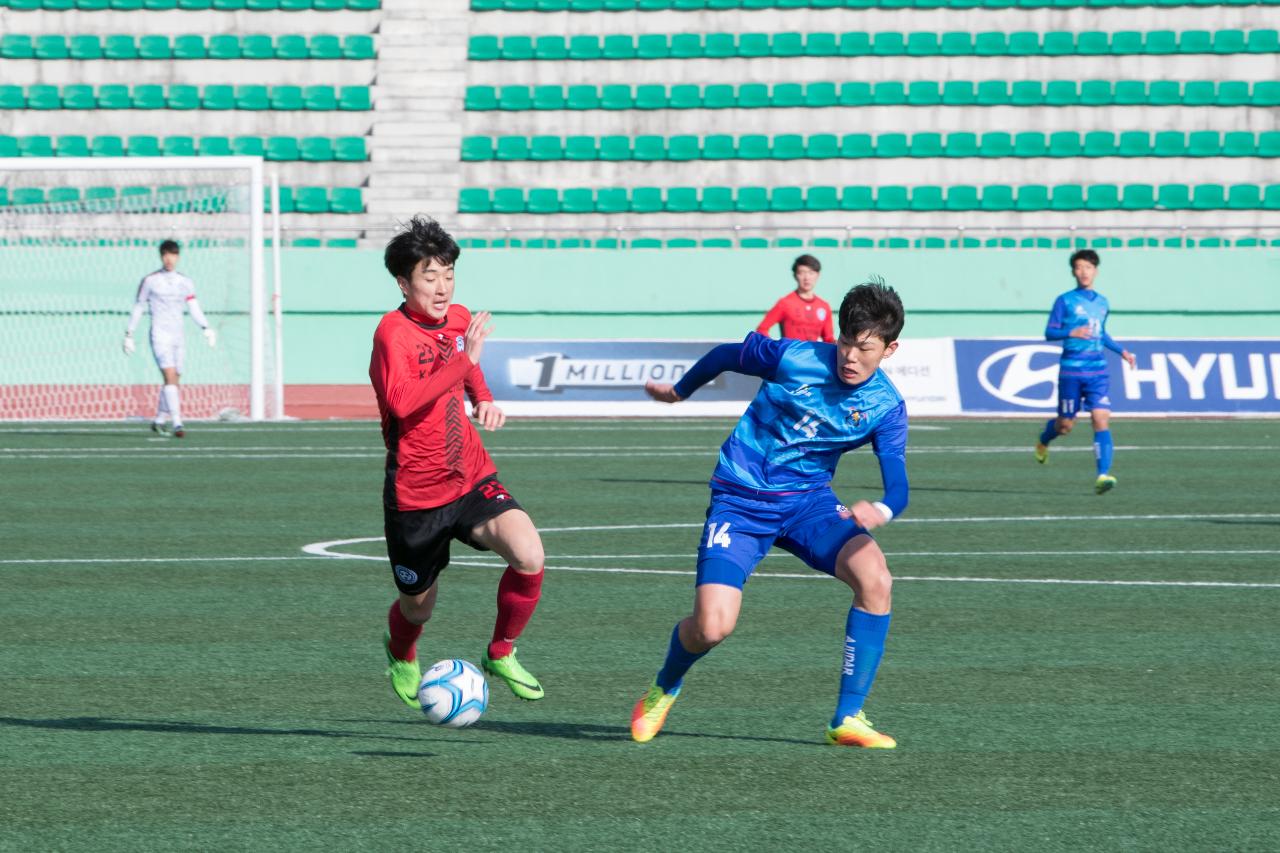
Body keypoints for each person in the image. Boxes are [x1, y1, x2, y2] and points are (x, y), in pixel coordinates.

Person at [633, 280, 910, 749]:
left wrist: (880, 508)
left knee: (875, 578)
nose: (850, 356)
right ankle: (664, 686)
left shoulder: (886, 406)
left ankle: (847, 717)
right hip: (740, 500)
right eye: (845, 342)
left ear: (889, 349)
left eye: (864, 348)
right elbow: (725, 354)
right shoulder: (793, 357)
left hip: (808, 503)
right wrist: (679, 392)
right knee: (712, 627)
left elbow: (898, 484)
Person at [370, 216, 546, 709]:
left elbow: (469, 369)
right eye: (430, 277)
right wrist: (464, 362)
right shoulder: (393, 334)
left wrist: (483, 398)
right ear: (404, 284)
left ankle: (500, 651)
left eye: (448, 274)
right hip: (416, 494)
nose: (443, 287)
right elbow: (403, 403)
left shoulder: (458, 317)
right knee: (419, 607)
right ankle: (402, 652)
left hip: (469, 474)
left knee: (529, 553)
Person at [1033, 249, 1137, 494]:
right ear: (1073, 272)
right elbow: (1049, 332)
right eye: (1079, 267)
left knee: (1100, 419)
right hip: (1071, 371)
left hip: (1097, 371)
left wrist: (1121, 351)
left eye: (1088, 267)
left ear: (1095, 271)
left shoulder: (1102, 302)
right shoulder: (1064, 300)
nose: (1083, 272)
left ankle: (1103, 475)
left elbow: (1101, 332)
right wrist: (1071, 332)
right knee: (1065, 426)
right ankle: (1043, 440)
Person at [122, 239, 217, 438]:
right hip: (159, 335)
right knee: (170, 376)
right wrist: (129, 334)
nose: (169, 259)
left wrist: (206, 327)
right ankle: (177, 423)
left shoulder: (185, 282)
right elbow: (139, 306)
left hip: (178, 336)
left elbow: (193, 307)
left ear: (178, 256)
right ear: (161, 256)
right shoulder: (150, 281)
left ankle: (158, 420)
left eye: (173, 254)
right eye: (165, 254)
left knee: (175, 379)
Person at [755, 254, 834, 343]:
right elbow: (761, 329)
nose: (806, 278)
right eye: (802, 272)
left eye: (811, 273)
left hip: (812, 356)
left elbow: (828, 338)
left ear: (817, 275)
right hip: (790, 355)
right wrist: (775, 348)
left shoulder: (824, 306)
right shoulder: (785, 303)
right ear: (795, 275)